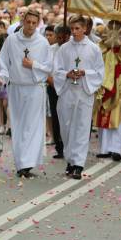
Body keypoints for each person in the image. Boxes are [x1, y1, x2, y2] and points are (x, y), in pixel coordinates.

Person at [0, 9, 52, 178]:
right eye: (28, 22)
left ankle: (27, 164)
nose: (30, 26)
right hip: (16, 88)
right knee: (19, 126)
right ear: (23, 21)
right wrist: (2, 77)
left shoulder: (42, 43)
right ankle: (21, 163)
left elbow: (49, 67)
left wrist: (33, 65)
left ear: (38, 23)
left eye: (34, 23)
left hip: (35, 88)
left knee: (33, 126)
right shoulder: (12, 40)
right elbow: (3, 61)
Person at [54, 15, 104, 180]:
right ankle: (70, 159)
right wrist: (66, 74)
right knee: (66, 127)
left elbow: (99, 72)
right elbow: (57, 70)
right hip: (68, 91)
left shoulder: (93, 48)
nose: (74, 32)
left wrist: (85, 73)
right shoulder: (64, 49)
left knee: (82, 128)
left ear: (84, 29)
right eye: (72, 29)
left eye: (78, 28)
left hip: (84, 92)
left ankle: (78, 164)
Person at [94, 21, 121, 162]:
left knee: (119, 118)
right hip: (102, 87)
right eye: (109, 30)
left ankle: (116, 149)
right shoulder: (99, 48)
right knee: (103, 117)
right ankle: (104, 148)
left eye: (116, 31)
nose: (112, 33)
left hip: (120, 88)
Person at [46, 25, 70, 159]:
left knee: (68, 117)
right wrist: (54, 84)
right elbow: (47, 69)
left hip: (69, 87)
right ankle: (59, 146)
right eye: (59, 37)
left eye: (64, 37)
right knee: (56, 116)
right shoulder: (51, 50)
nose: (61, 40)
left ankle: (69, 145)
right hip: (53, 86)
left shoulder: (72, 49)